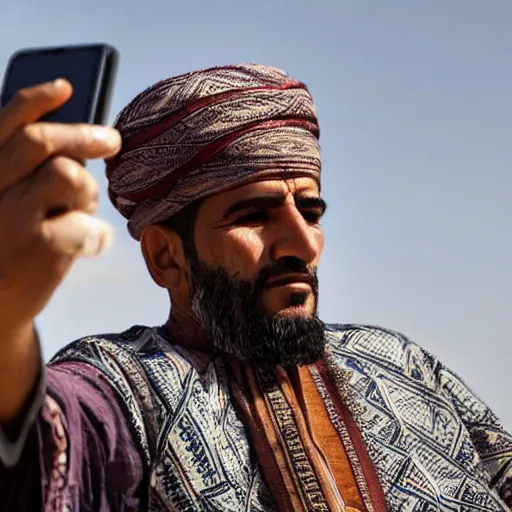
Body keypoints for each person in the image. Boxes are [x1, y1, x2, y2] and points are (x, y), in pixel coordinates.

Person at [0, 65, 510, 512]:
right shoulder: (122, 388)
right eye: (254, 216)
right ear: (166, 256)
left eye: (310, 213)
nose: (302, 243)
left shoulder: (398, 362)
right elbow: (39, 443)